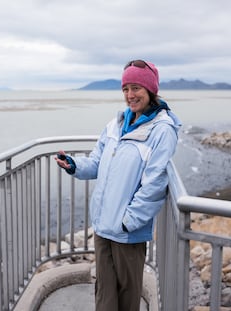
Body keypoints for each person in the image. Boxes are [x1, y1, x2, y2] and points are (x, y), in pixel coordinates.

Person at [55, 59, 181, 311]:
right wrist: (74, 165)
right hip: (103, 224)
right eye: (125, 89)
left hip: (127, 230)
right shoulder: (116, 124)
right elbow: (97, 162)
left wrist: (130, 221)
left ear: (150, 91)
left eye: (136, 88)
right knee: (104, 291)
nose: (130, 95)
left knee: (127, 295)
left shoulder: (162, 130)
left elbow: (155, 183)